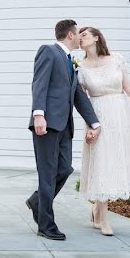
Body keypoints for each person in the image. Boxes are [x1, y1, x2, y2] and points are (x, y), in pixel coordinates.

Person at [26, 19, 101, 241]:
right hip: (47, 124)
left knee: (65, 169)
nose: (80, 37)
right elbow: (39, 83)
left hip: (65, 126)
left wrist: (94, 122)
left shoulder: (70, 61)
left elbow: (78, 94)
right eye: (79, 33)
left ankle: (37, 201)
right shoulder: (48, 51)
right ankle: (46, 225)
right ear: (70, 34)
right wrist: (38, 114)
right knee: (47, 175)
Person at [76, 26, 130, 236]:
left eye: (84, 35)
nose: (80, 38)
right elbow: (82, 100)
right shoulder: (81, 68)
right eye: (79, 36)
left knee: (114, 161)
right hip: (98, 116)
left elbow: (128, 87)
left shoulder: (116, 59)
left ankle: (98, 211)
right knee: (102, 162)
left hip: (120, 115)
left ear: (96, 38)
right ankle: (103, 219)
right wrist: (91, 125)